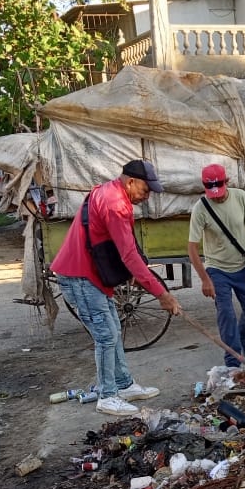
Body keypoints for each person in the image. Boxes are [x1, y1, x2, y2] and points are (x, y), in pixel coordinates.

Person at [51, 159, 182, 417]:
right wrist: (162, 294)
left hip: (90, 276)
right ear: (130, 181)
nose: (148, 196)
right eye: (146, 190)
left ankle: (123, 384)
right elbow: (129, 257)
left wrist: (135, 273)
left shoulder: (110, 192)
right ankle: (108, 396)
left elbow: (127, 247)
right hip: (80, 277)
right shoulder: (115, 204)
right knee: (106, 336)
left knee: (114, 329)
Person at [187, 163, 245, 368]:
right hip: (217, 269)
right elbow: (192, 248)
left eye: (220, 191)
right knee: (226, 314)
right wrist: (205, 279)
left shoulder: (240, 197)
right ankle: (232, 360)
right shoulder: (200, 208)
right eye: (212, 193)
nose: (217, 197)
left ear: (227, 182)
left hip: (242, 265)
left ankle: (243, 336)